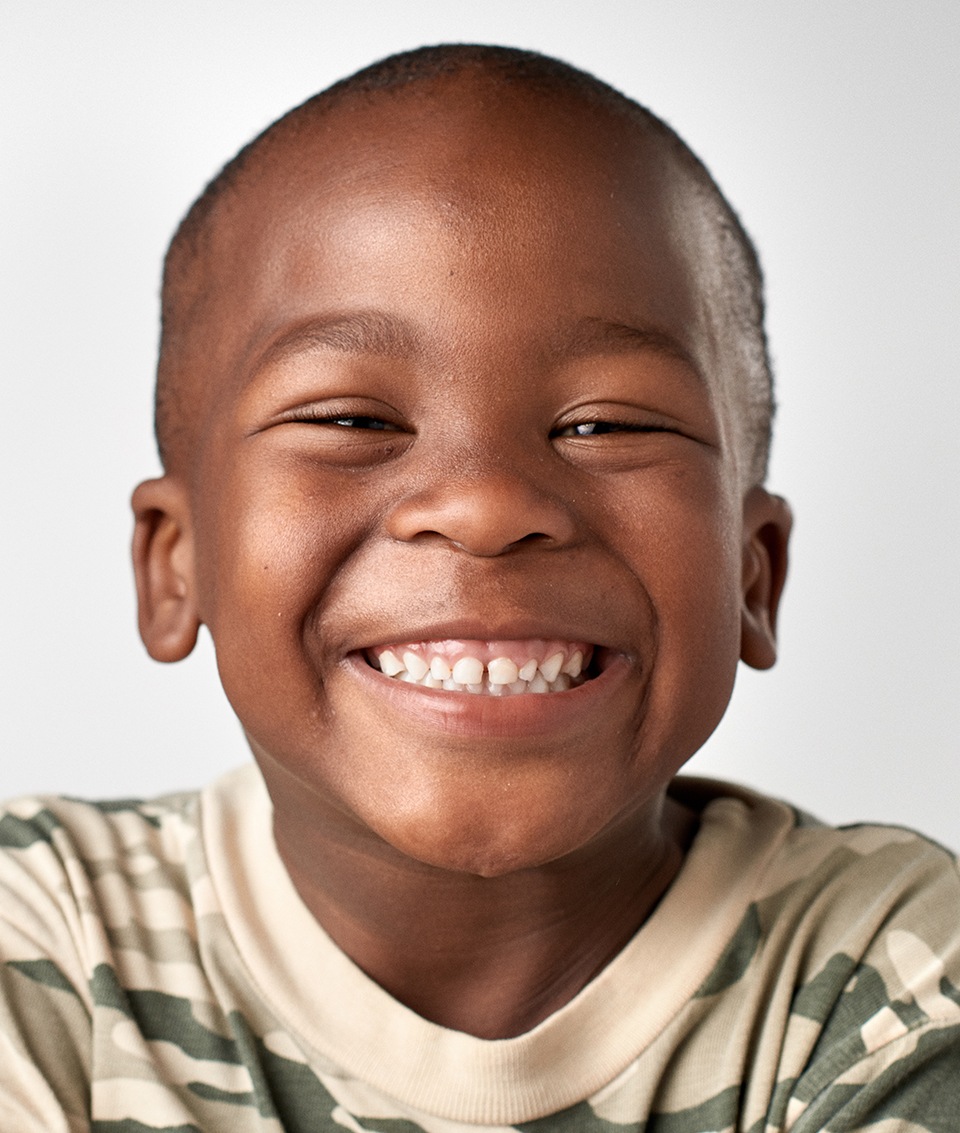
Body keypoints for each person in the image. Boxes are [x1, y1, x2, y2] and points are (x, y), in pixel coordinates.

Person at [1, 43, 957, 1133]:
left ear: (754, 574)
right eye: (351, 420)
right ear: (177, 562)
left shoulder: (892, 977)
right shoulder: (45, 944)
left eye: (608, 423)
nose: (486, 503)